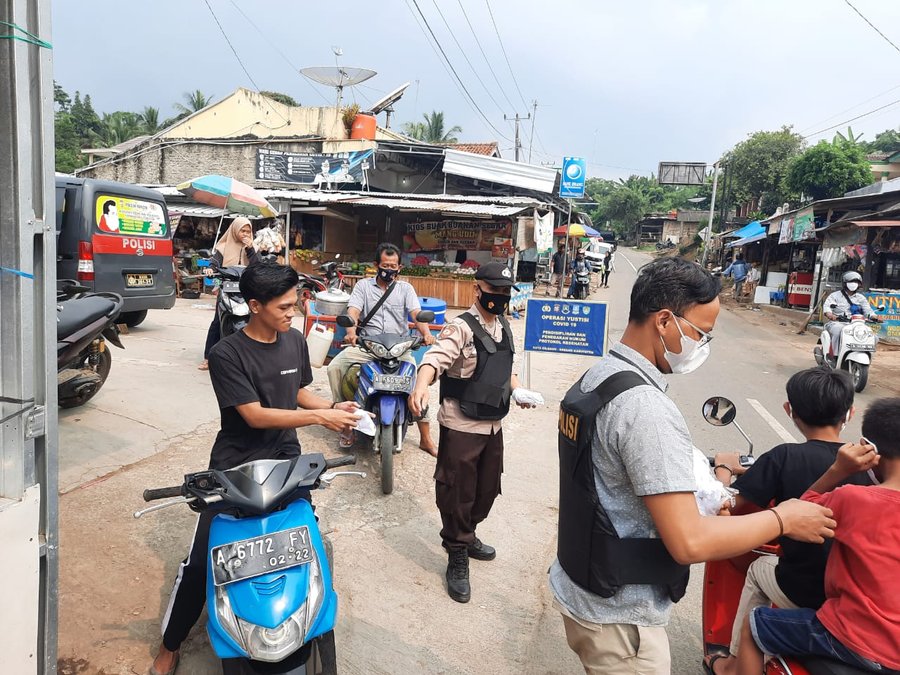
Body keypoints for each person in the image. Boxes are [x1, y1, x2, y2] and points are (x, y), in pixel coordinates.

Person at [548, 257, 836, 675]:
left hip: (583, 589)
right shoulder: (645, 406)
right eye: (702, 333)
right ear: (664, 321)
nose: (702, 345)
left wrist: (707, 470)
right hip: (622, 619)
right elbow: (689, 543)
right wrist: (783, 519)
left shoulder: (602, 377)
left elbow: (611, 472)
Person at [150, 262, 359, 675]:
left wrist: (333, 408)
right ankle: (170, 644)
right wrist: (321, 421)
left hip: (286, 465)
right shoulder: (226, 353)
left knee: (306, 547)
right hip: (233, 470)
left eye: (295, 301)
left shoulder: (294, 340)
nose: (294, 310)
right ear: (254, 305)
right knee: (203, 564)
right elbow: (254, 415)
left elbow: (297, 390)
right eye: (283, 305)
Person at [705, 367, 871, 675]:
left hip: (804, 590)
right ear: (849, 413)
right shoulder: (871, 467)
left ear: (789, 410)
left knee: (758, 568)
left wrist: (724, 470)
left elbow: (728, 506)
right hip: (853, 595)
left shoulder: (783, 457)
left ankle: (734, 663)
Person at [408, 262, 542, 604]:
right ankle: (456, 551)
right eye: (494, 290)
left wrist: (519, 390)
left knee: (486, 489)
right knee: (457, 491)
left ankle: (468, 535)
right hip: (462, 423)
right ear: (477, 290)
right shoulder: (461, 327)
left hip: (493, 424)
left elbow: (504, 371)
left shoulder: (504, 327)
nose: (500, 297)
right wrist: (421, 387)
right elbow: (434, 359)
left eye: (505, 292)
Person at [736, 398, 900, 675]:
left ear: (869, 449)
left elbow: (799, 511)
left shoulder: (853, 499)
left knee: (755, 625)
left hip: (852, 637)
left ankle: (731, 667)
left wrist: (840, 470)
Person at [326, 243, 436, 454]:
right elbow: (353, 311)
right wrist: (351, 332)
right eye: (385, 265)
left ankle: (426, 437)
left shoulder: (406, 289)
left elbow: (416, 314)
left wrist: (427, 334)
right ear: (376, 265)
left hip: (399, 347)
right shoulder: (363, 287)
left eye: (393, 265)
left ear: (399, 267)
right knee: (335, 368)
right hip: (368, 345)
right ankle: (346, 423)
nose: (389, 269)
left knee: (418, 381)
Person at [198, 217, 258, 371]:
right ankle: (208, 358)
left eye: (248, 231)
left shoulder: (252, 247)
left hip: (247, 287)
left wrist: (250, 249)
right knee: (217, 321)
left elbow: (259, 265)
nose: (245, 234)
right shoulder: (223, 247)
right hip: (227, 286)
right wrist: (210, 269)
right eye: (242, 230)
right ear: (234, 230)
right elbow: (214, 262)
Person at [822, 271, 883, 357]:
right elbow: (827, 307)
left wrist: (875, 317)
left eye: (856, 282)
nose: (853, 284)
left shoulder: (861, 298)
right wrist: (830, 315)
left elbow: (868, 311)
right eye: (851, 282)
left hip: (856, 324)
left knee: (874, 337)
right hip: (838, 323)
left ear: (859, 284)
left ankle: (868, 355)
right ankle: (834, 356)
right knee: (837, 332)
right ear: (844, 283)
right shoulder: (834, 296)